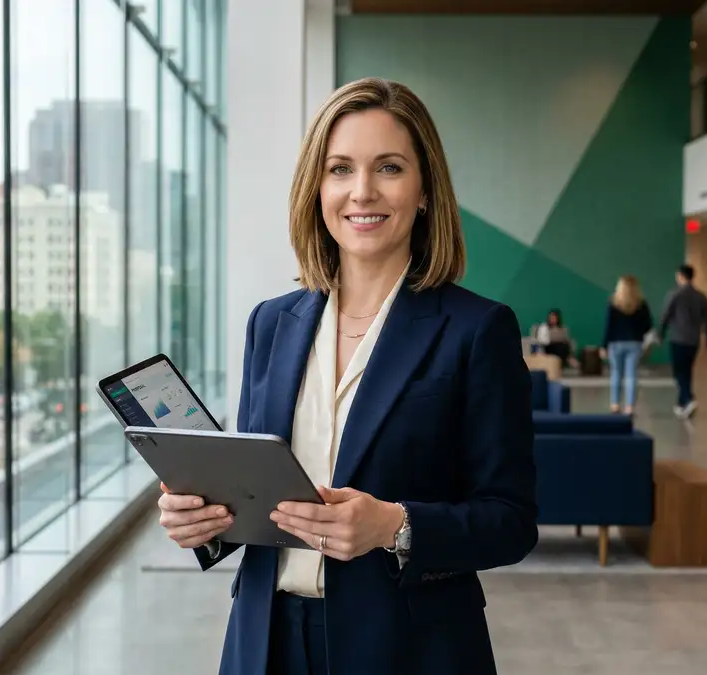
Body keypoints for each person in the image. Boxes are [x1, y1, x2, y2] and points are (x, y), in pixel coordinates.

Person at [154, 77, 539, 675]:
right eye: (340, 169)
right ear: (317, 187)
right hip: (265, 642)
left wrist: (395, 525)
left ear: (424, 191)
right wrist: (204, 522)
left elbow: (510, 521)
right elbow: (259, 492)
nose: (362, 191)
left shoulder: (477, 329)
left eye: (388, 167)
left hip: (409, 648)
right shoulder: (271, 323)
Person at [658, 264, 707, 419]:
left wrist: (660, 333)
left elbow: (665, 315)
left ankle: (688, 398)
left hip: (678, 338)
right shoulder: (701, 296)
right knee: (687, 370)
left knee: (678, 371)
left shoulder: (674, 294)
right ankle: (681, 404)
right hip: (693, 339)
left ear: (680, 276)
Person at [598, 275, 653, 416]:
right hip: (634, 343)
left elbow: (608, 327)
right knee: (631, 375)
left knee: (616, 373)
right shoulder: (641, 304)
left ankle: (615, 405)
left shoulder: (613, 303)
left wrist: (603, 346)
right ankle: (630, 407)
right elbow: (648, 326)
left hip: (615, 344)